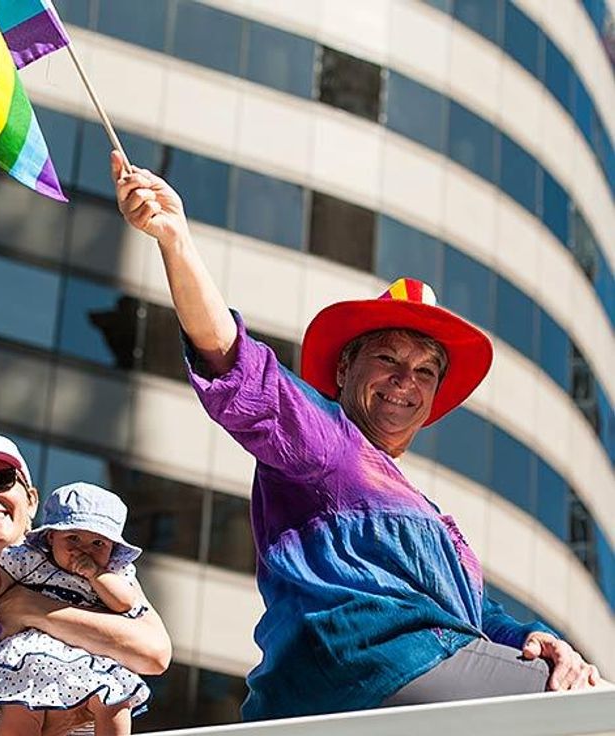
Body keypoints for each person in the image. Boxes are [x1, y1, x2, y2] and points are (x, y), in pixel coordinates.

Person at [111, 151, 610, 719]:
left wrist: (532, 637)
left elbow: (471, 615)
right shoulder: (324, 439)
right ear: (345, 370)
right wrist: (176, 240)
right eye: (388, 358)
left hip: (384, 682)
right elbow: (235, 364)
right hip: (362, 668)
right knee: (589, 710)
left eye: (425, 371)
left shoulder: (427, 515)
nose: (405, 381)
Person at [0, 430, 171, 736]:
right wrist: (48, 725)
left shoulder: (98, 570)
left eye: (1, 479)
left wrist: (33, 609)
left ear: (31, 499)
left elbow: (154, 654)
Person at [0, 482, 150, 736]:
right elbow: (3, 582)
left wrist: (95, 575)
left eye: (98, 543)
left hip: (89, 657)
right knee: (20, 709)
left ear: (113, 549)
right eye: (73, 538)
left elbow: (125, 602)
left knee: (115, 702)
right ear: (51, 537)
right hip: (34, 653)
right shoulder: (32, 560)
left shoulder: (112, 574)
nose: (84, 549)